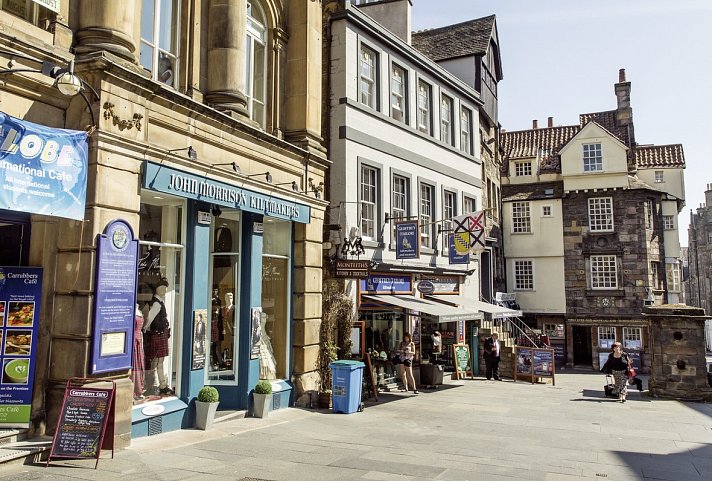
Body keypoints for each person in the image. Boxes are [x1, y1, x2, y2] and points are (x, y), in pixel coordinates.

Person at [143, 279, 173, 396]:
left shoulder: (159, 302)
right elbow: (149, 318)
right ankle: (154, 385)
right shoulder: (156, 303)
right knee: (155, 362)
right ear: (157, 289)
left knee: (158, 361)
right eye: (162, 288)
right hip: (158, 335)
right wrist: (144, 328)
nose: (165, 290)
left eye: (165, 288)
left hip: (161, 335)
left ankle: (161, 384)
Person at [131, 304, 146, 401]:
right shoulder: (131, 310)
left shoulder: (138, 310)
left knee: (139, 364)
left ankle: (139, 389)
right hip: (133, 341)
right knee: (135, 365)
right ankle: (135, 390)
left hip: (139, 341)